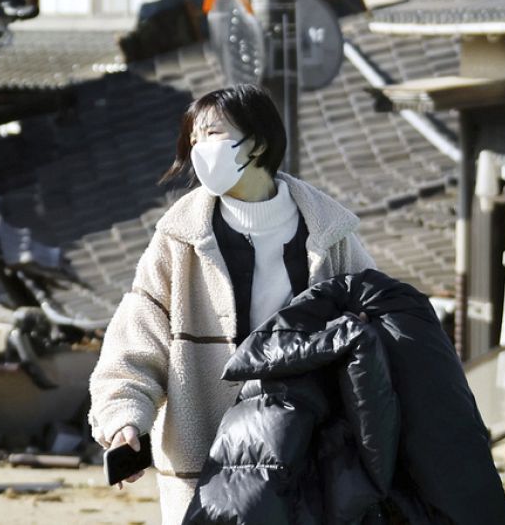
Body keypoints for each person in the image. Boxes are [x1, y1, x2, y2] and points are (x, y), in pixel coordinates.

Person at [88, 84, 376, 525]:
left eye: (214, 134)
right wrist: (124, 417)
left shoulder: (330, 234)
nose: (201, 149)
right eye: (195, 138)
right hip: (206, 455)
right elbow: (136, 338)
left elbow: (379, 329)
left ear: (257, 142)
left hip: (311, 447)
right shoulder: (178, 238)